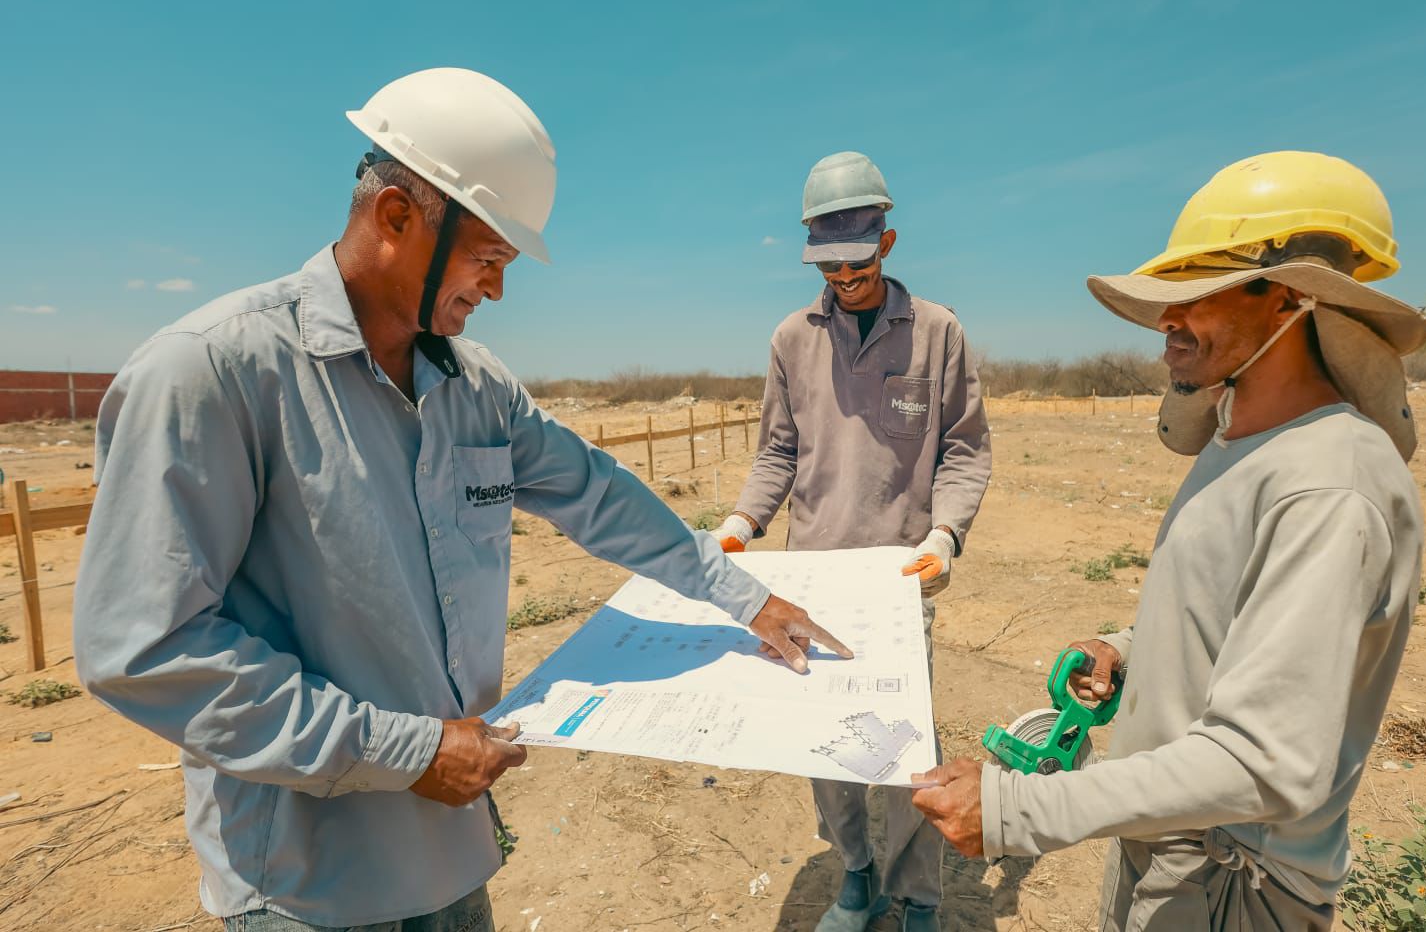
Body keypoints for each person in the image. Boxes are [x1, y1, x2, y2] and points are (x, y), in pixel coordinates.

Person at [73, 67, 850, 931]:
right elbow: (142, 646)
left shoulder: (477, 387)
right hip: (308, 886)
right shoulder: (215, 374)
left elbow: (599, 495)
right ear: (398, 217)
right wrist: (403, 751)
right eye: (488, 259)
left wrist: (743, 596)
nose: (497, 290)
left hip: (449, 851)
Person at [911, 151, 1426, 931]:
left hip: (1231, 880)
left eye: (1197, 297)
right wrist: (1132, 648)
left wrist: (1015, 808)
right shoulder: (1244, 440)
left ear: (1288, 299)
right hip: (1172, 850)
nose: (1167, 319)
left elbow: (1262, 761)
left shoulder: (1329, 483)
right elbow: (1234, 616)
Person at [714, 151, 991, 932]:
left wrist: (946, 534)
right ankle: (858, 874)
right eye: (829, 265)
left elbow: (965, 449)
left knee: (909, 753)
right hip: (814, 579)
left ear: (887, 242)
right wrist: (743, 521)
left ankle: (920, 900)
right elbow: (777, 451)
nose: (844, 278)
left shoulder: (938, 333)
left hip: (902, 580)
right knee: (829, 748)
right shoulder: (791, 339)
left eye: (857, 262)